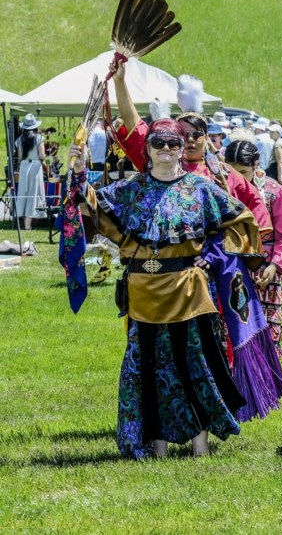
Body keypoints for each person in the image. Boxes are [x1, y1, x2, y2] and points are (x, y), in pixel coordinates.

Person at [66, 120, 262, 459]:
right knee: (149, 367)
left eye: (175, 143)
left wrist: (213, 256)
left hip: (189, 291)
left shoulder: (200, 188)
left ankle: (201, 444)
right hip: (143, 293)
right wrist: (80, 170)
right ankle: (157, 445)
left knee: (195, 365)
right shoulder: (132, 189)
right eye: (160, 144)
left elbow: (242, 220)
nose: (168, 149)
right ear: (149, 150)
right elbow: (90, 206)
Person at [111, 62, 271, 234]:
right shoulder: (159, 162)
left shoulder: (222, 172)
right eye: (184, 136)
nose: (190, 141)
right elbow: (134, 123)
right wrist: (119, 81)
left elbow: (254, 203)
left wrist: (253, 243)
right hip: (165, 246)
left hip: (212, 254)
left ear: (206, 138)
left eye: (196, 135)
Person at [223, 140, 282, 359]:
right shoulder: (219, 189)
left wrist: (275, 265)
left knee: (266, 329)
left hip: (265, 271)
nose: (238, 177)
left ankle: (267, 385)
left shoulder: (273, 191)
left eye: (244, 172)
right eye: (232, 171)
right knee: (231, 329)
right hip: (229, 268)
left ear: (256, 165)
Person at [13, 114, 46, 230]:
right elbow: (42, 155)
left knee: (23, 192)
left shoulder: (19, 140)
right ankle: (28, 225)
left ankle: (22, 221)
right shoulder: (39, 138)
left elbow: (21, 156)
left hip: (24, 166)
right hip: (35, 166)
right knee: (33, 193)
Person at [266, 123, 282, 187]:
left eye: (272, 132)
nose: (270, 133)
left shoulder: (278, 144)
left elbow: (280, 162)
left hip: (277, 172)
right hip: (280, 170)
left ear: (278, 133)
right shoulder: (281, 141)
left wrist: (279, 178)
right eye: (270, 132)